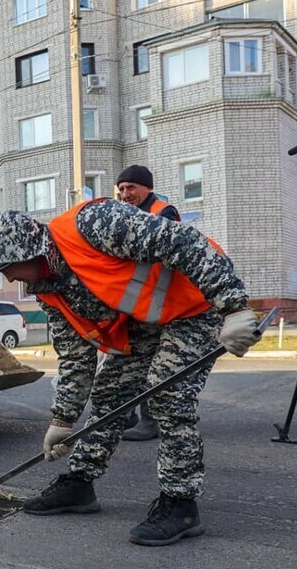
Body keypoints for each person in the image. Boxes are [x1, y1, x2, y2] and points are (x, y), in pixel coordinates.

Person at [0, 199, 260, 546]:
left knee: (167, 395)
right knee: (110, 390)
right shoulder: (48, 288)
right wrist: (62, 421)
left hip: (196, 306)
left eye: (9, 267)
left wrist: (233, 305)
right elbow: (75, 358)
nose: (8, 277)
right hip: (150, 321)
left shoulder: (94, 224)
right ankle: (80, 484)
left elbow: (181, 240)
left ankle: (181, 503)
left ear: (33, 252)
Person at [115, 165, 178, 441]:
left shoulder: (164, 212)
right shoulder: (125, 214)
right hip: (136, 304)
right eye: (122, 189)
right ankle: (125, 415)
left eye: (131, 188)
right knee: (127, 361)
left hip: (160, 304)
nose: (126, 193)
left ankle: (150, 421)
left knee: (150, 364)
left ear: (147, 188)